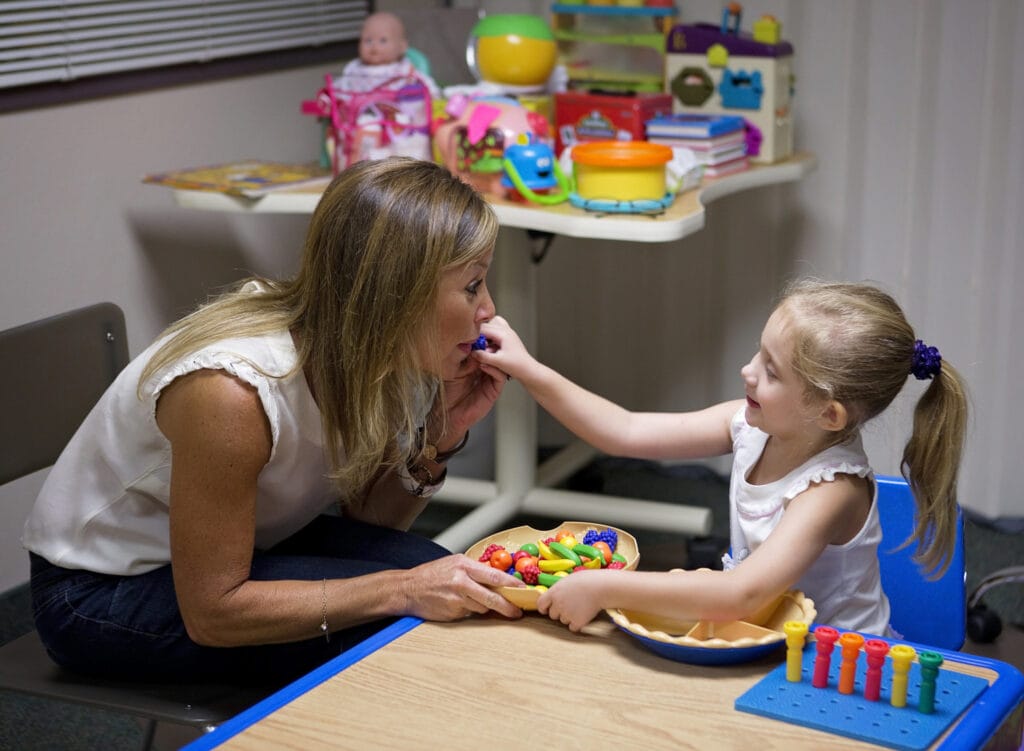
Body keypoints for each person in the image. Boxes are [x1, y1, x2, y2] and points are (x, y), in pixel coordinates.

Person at [22, 157, 523, 686]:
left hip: (247, 551)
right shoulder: (231, 391)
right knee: (407, 622)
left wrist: (439, 438)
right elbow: (214, 611)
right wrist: (400, 590)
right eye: (473, 286)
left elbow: (371, 524)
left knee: (436, 572)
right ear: (397, 293)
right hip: (98, 592)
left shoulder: (378, 352)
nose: (488, 309)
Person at [475, 279, 968, 636]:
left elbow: (742, 594)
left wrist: (605, 587)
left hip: (836, 670)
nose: (747, 371)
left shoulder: (832, 491)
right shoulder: (749, 425)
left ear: (828, 413)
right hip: (764, 635)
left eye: (771, 372)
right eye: (759, 353)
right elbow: (624, 430)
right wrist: (526, 368)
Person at [336, 11, 439, 96]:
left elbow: (426, 84)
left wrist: (433, 95)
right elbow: (341, 87)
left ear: (401, 47)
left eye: (383, 41)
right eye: (368, 40)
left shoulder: (404, 69)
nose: (374, 46)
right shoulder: (355, 68)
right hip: (359, 116)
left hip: (397, 116)